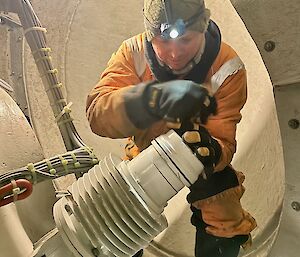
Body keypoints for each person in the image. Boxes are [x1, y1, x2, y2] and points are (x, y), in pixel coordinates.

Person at [86, 0, 257, 256]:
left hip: (198, 154)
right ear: (149, 35)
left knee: (222, 199)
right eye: (163, 42)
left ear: (203, 27)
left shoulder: (226, 67)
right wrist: (150, 99)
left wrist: (211, 150)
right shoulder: (132, 52)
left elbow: (223, 141)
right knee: (120, 210)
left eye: (185, 40)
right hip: (145, 150)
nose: (174, 54)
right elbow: (98, 113)